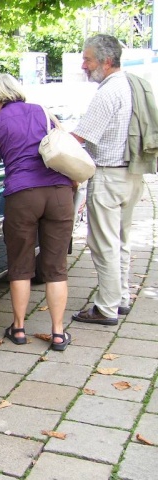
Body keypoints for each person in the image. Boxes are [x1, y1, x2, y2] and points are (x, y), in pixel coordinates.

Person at [0, 73, 74, 351]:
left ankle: (19, 328)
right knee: (56, 267)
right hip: (59, 192)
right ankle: (58, 333)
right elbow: (65, 145)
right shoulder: (44, 113)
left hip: (23, 196)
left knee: (20, 264)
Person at [71, 34, 150, 326]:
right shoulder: (133, 84)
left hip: (108, 175)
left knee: (103, 243)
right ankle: (122, 298)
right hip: (133, 172)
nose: (83, 65)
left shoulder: (107, 91)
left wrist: (50, 138)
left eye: (87, 59)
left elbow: (81, 136)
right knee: (121, 240)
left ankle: (106, 307)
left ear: (105, 61)